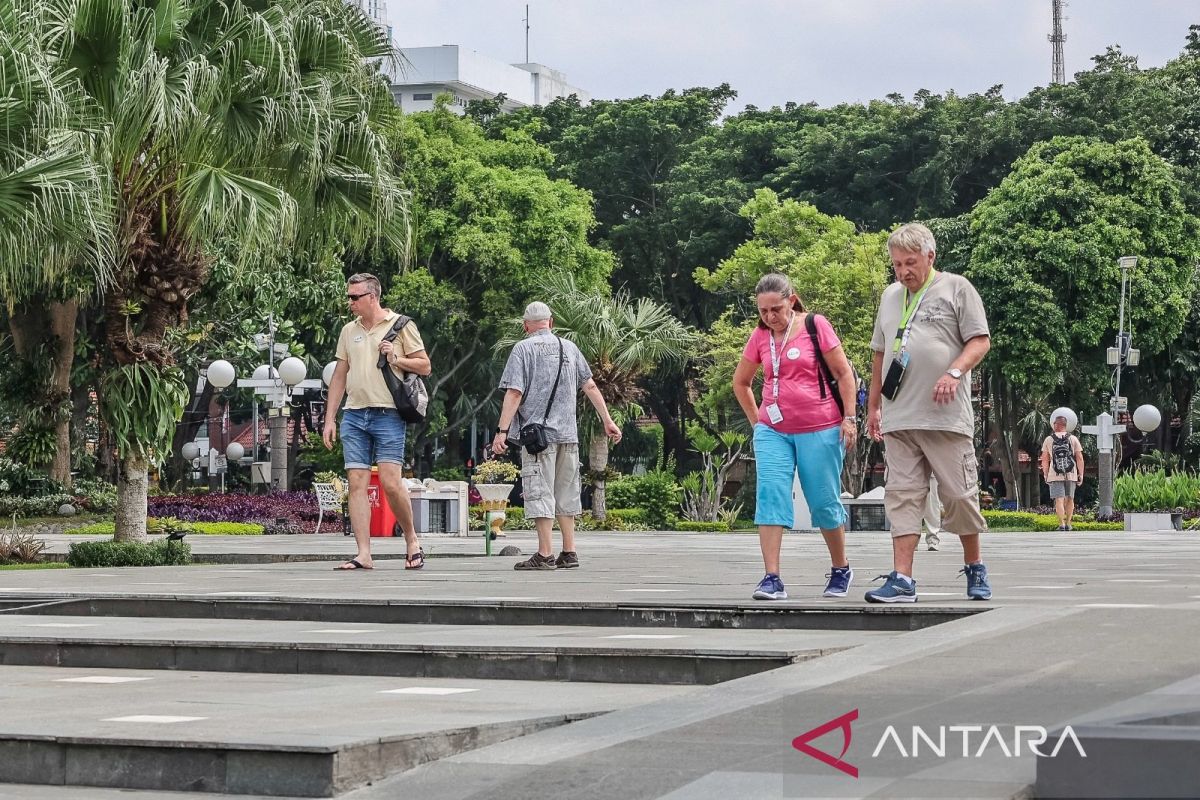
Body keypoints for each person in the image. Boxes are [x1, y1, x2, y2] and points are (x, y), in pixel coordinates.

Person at [865, 223, 992, 603]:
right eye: (897, 264)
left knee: (958, 495)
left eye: (910, 262)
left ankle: (975, 566)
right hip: (898, 417)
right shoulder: (890, 296)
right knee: (902, 496)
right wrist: (872, 405)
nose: (904, 271)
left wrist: (954, 372)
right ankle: (902, 579)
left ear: (930, 257)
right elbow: (878, 353)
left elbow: (980, 340)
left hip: (944, 417)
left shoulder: (957, 288)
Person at [732, 273, 858, 601]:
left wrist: (849, 418)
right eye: (763, 312)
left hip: (820, 427)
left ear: (791, 300)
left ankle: (840, 567)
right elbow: (741, 382)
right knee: (771, 495)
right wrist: (758, 420)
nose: (770, 317)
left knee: (822, 501)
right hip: (774, 432)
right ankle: (771, 577)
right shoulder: (759, 337)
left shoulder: (816, 325)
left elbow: (844, 373)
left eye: (776, 309)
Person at [491, 301, 622, 570]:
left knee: (541, 493)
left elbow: (514, 393)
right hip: (568, 435)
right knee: (566, 492)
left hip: (539, 438)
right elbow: (590, 384)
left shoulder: (523, 349)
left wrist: (501, 432)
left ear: (526, 325)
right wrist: (607, 419)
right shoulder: (570, 348)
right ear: (551, 322)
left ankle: (545, 554)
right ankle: (569, 551)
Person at [322, 273, 430, 571]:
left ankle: (411, 540)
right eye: (349, 296)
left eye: (354, 297)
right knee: (356, 483)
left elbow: (425, 365)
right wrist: (330, 418)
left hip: (389, 413)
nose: (350, 302)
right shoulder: (349, 330)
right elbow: (340, 375)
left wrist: (396, 359)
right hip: (355, 414)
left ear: (372, 296)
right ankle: (363, 553)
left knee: (390, 482)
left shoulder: (401, 325)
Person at [1040, 413, 1084, 530]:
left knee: (1059, 499)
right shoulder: (1073, 438)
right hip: (1071, 473)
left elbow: (1045, 459)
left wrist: (1045, 474)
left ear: (1057, 425)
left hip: (1055, 474)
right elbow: (1079, 457)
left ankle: (1061, 524)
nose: (1053, 425)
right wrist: (1081, 474)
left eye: (1054, 423)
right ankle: (1069, 523)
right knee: (1070, 498)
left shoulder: (1049, 439)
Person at [924, 474, 943, 551]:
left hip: (932, 466)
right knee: (911, 503)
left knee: (932, 503)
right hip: (910, 468)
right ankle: (911, 539)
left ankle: (932, 539)